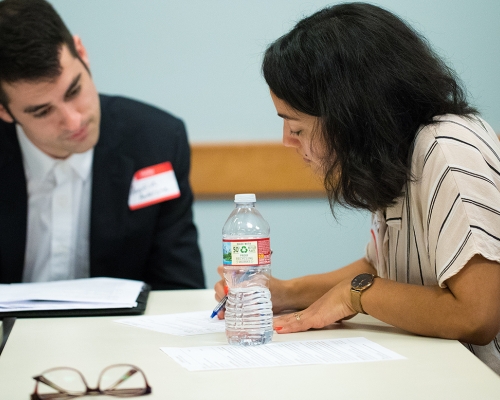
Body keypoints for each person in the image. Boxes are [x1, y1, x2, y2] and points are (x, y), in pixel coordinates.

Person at [214, 2, 500, 374]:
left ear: (350, 115)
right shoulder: (403, 150)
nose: (286, 141)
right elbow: (383, 263)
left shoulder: (446, 150)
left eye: (296, 127)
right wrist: (286, 293)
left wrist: (360, 293)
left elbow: (477, 316)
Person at [0, 0, 205, 290]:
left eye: (74, 91)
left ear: (81, 53)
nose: (73, 122)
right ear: (4, 110)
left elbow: (178, 287)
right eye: (42, 111)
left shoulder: (156, 142)